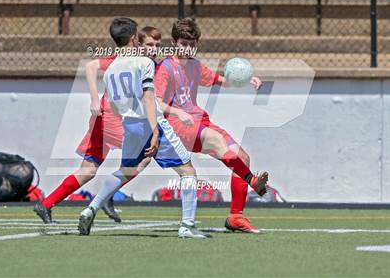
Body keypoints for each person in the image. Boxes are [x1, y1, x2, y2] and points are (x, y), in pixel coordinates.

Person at [78, 17, 209, 238]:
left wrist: (132, 122)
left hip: (130, 125)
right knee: (188, 171)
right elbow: (149, 97)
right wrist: (155, 130)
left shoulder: (111, 69)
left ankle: (91, 208)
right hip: (151, 123)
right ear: (132, 39)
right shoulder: (144, 62)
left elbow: (113, 105)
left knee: (125, 171)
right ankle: (187, 226)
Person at [33, 26, 162, 224]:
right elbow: (91, 66)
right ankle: (106, 195)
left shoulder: (144, 62)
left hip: (103, 120)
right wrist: (94, 99)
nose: (154, 49)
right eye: (149, 44)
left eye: (157, 45)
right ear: (136, 41)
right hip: (114, 119)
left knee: (88, 170)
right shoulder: (130, 58)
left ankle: (46, 203)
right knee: (145, 155)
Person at [153, 18, 269, 233]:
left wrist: (246, 79)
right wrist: (178, 111)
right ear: (174, 42)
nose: (188, 48)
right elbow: (155, 102)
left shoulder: (195, 65)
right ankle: (251, 180)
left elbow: (220, 80)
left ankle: (236, 217)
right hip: (178, 125)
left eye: (192, 44)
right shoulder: (166, 68)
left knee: (242, 157)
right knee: (218, 142)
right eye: (183, 43)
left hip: (199, 120)